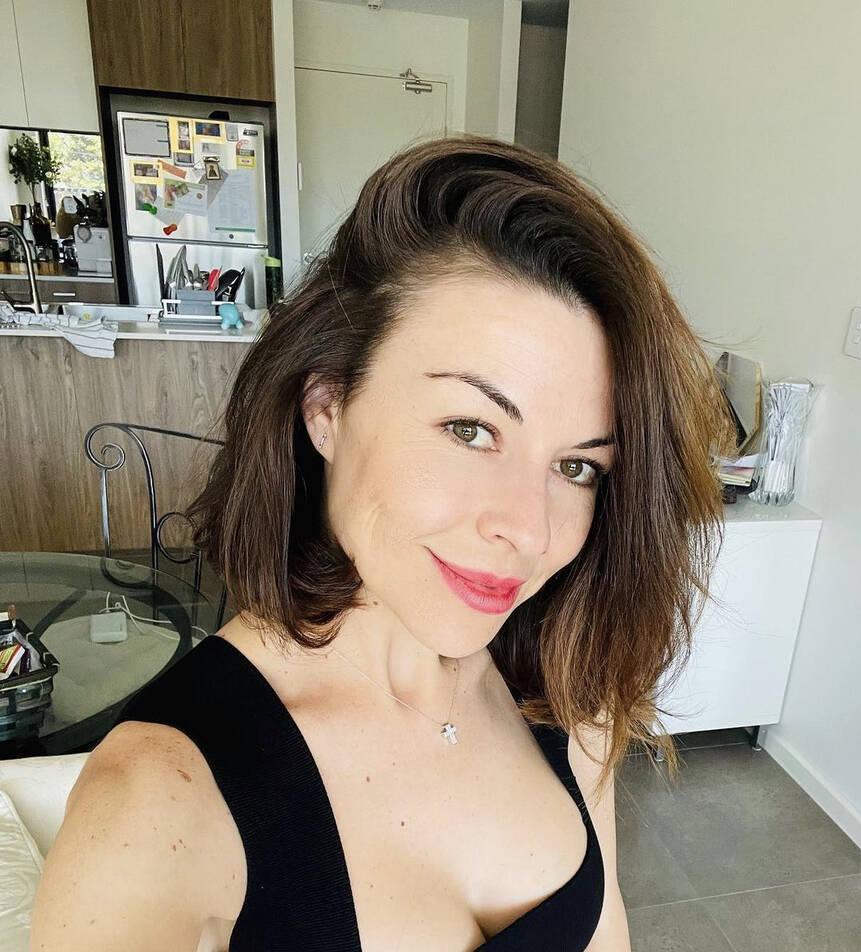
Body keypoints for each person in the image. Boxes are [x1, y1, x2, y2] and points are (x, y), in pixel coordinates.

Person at [29, 134, 731, 952]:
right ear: (327, 406)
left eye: (576, 466)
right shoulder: (158, 804)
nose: (529, 528)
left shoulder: (569, 686)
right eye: (470, 429)